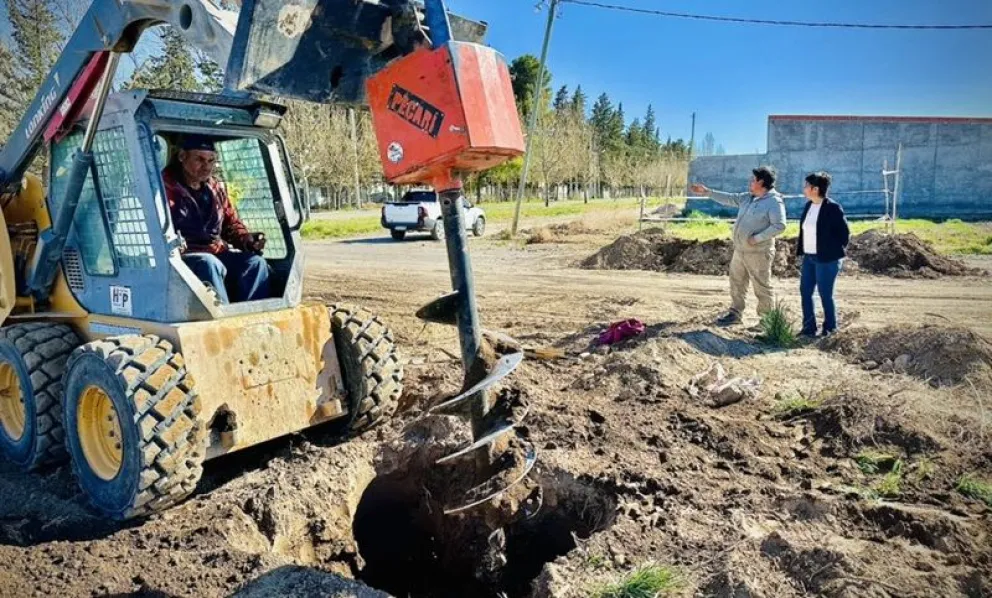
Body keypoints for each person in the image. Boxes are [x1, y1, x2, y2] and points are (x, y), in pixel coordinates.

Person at [163, 135, 271, 304]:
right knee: (209, 263)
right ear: (182, 157)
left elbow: (231, 224)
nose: (206, 167)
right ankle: (223, 321)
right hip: (180, 257)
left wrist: (245, 239)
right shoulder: (164, 187)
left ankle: (251, 318)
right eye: (199, 159)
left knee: (255, 263)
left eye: (211, 160)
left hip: (215, 252)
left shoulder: (215, 188)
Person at [690, 166, 787, 326]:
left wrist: (757, 238)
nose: (750, 182)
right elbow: (728, 198)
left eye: (753, 180)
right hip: (740, 251)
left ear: (761, 182)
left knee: (761, 286)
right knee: (736, 282)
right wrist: (707, 191)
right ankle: (735, 314)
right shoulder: (747, 198)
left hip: (758, 253)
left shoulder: (773, 202)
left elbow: (780, 225)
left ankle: (767, 320)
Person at [796, 171, 850, 337]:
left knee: (825, 294)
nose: (804, 189)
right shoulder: (809, 206)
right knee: (805, 292)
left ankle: (830, 329)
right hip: (809, 258)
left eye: (806, 186)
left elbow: (844, 234)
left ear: (815, 189)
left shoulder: (833, 208)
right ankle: (809, 328)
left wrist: (831, 251)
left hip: (827, 259)